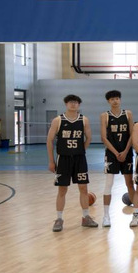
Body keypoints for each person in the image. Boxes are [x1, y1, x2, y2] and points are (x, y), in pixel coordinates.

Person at [48, 94, 95, 232]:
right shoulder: (58, 120)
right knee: (62, 189)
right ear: (66, 104)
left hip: (79, 159)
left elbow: (89, 137)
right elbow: (49, 140)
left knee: (83, 188)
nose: (73, 104)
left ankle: (86, 217)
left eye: (76, 102)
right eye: (70, 102)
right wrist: (51, 161)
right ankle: (59, 219)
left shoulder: (84, 120)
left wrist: (81, 150)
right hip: (63, 159)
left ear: (79, 105)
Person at [99, 90, 135, 228]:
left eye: (117, 98)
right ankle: (106, 216)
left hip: (127, 153)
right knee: (108, 184)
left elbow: (132, 134)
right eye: (112, 99)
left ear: (120, 100)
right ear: (108, 101)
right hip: (111, 154)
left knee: (130, 183)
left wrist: (125, 151)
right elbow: (104, 137)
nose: (115, 101)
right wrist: (116, 153)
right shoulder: (105, 116)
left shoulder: (128, 114)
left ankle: (136, 214)